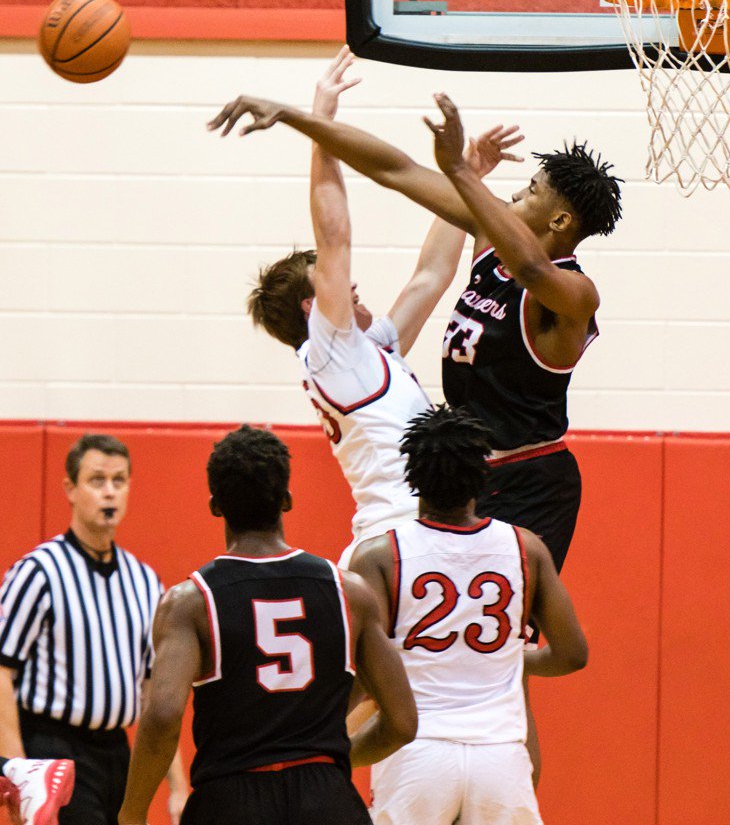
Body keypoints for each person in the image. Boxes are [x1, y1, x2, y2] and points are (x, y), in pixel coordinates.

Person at [207, 90, 621, 578]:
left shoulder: (575, 295)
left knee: (499, 637)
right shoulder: (488, 243)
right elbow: (395, 170)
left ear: (559, 220)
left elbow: (529, 267)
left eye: (529, 191)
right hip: (460, 477)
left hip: (529, 477)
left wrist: (464, 173)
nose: (513, 196)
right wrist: (299, 118)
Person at [238, 50, 523, 565]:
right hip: (395, 535)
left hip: (418, 530)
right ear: (312, 306)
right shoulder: (327, 349)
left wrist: (469, 183)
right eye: (330, 282)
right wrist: (319, 123)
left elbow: (431, 276)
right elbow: (335, 235)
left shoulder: (363, 351)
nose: (349, 286)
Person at [117, 425, 418, 825]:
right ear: (287, 500)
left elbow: (163, 714)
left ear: (215, 505)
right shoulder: (350, 592)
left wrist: (132, 813)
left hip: (230, 800)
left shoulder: (189, 603)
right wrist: (332, 760)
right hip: (327, 799)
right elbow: (402, 722)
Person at [349, 404, 588, 825]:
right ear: (483, 475)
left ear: (413, 478)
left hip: (415, 755)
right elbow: (571, 655)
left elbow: (360, 668)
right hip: (500, 757)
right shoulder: (526, 547)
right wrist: (502, 656)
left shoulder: (379, 555)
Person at [0, 434, 189, 825]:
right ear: (70, 489)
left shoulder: (145, 582)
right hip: (54, 748)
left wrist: (178, 788)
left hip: (118, 753)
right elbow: (1, 674)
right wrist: (21, 776)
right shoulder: (39, 572)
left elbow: (157, 695)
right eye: (97, 480)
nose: (109, 493)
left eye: (119, 481)